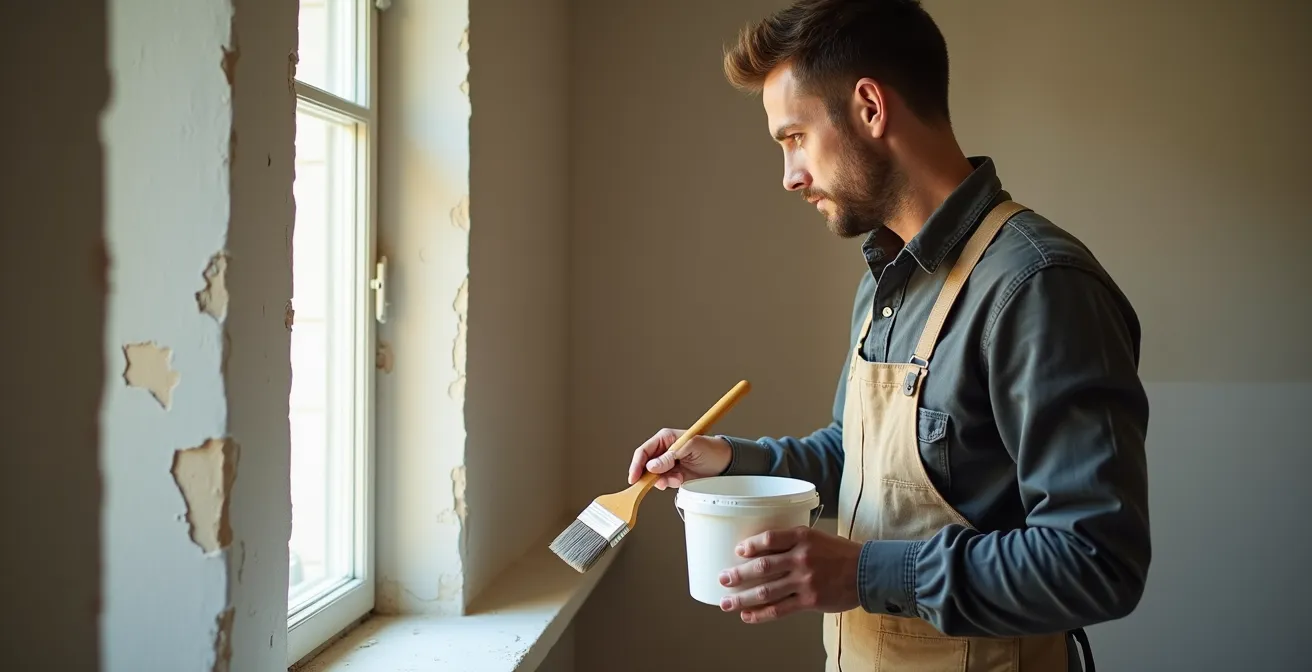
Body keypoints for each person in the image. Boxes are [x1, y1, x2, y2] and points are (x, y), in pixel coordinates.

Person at [625, 1, 1151, 670]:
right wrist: (732, 459)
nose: (789, 176)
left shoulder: (1038, 287)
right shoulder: (883, 283)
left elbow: (1097, 562)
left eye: (794, 138)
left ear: (870, 108)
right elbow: (858, 463)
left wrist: (866, 573)